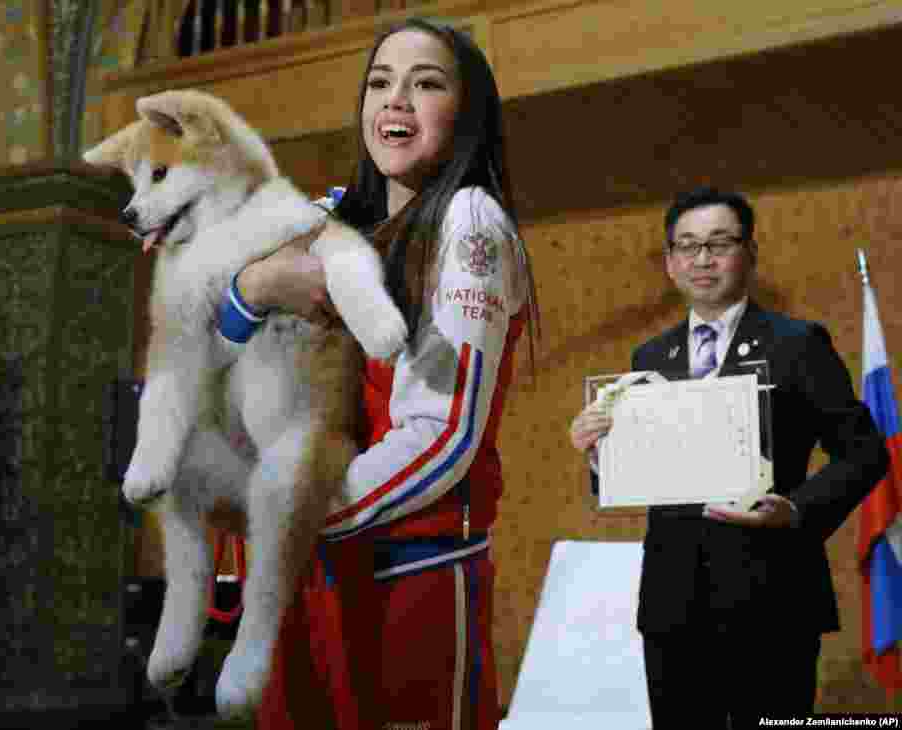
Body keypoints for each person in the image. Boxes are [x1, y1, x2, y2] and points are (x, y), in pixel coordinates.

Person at [217, 17, 538, 729]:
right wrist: (259, 283)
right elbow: (215, 334)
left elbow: (441, 437)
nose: (396, 100)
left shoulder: (469, 222)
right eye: (380, 82)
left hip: (407, 570)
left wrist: (295, 516)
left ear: (467, 113)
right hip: (312, 568)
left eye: (426, 84)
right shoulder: (337, 214)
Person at [569, 187, 889, 728]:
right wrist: (602, 456)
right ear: (670, 262)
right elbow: (640, 477)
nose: (702, 259)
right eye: (688, 246)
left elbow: (864, 453)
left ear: (749, 254)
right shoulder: (651, 357)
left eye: (719, 244)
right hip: (674, 604)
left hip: (772, 597)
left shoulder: (797, 344)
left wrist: (796, 509)